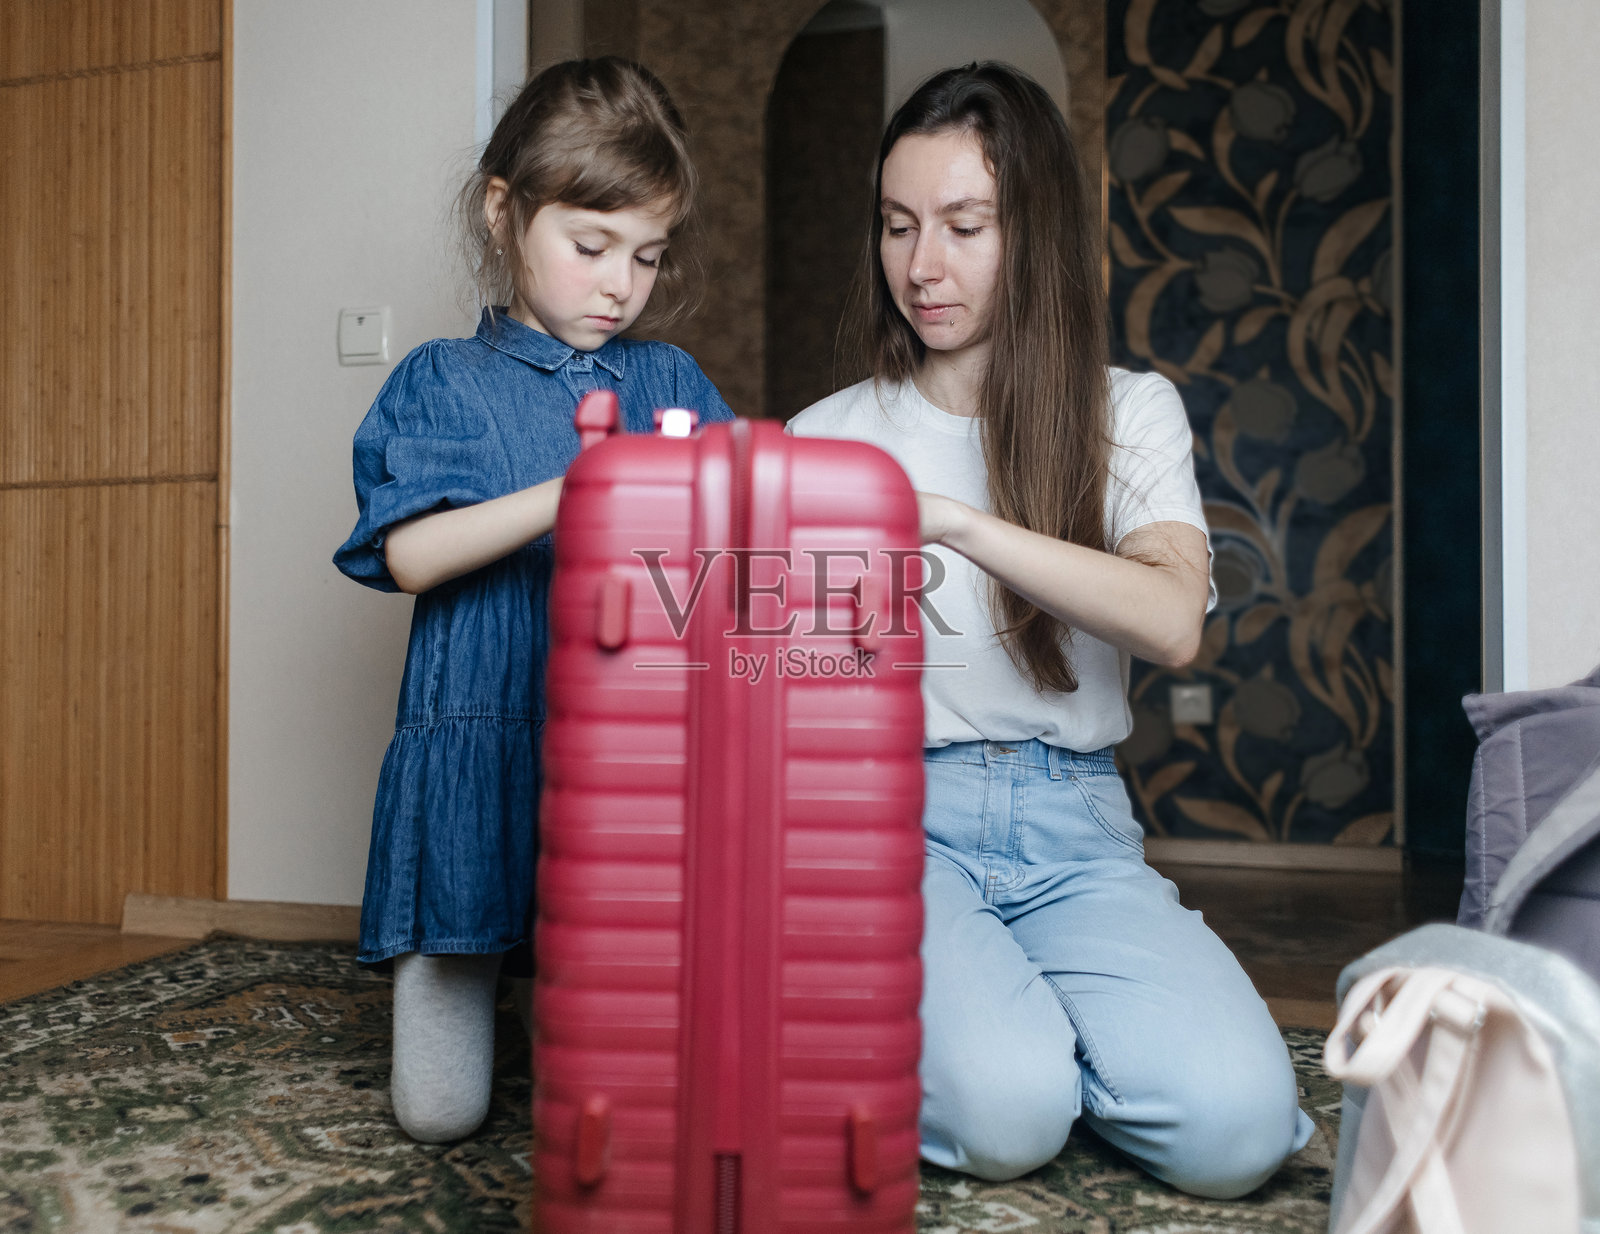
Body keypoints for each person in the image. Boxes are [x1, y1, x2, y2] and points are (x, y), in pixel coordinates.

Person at [788, 62, 1314, 1198]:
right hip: (894, 821)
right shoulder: (823, 440)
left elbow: (1170, 622)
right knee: (1006, 1117)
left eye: (964, 226)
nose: (922, 266)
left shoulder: (1129, 413)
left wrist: (960, 525)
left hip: (1076, 828)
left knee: (1236, 1132)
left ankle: (1007, 1022)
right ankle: (967, 1033)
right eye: (897, 226)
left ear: (1033, 232)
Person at [333, 57, 733, 1143]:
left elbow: (735, 541)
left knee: (620, 1102)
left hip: (626, 767)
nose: (621, 284)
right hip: (480, 747)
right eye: (591, 246)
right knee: (440, 1115)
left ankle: (568, 997)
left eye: (647, 254)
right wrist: (575, 491)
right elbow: (410, 553)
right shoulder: (442, 379)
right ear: (504, 212)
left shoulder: (670, 383)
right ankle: (487, 977)